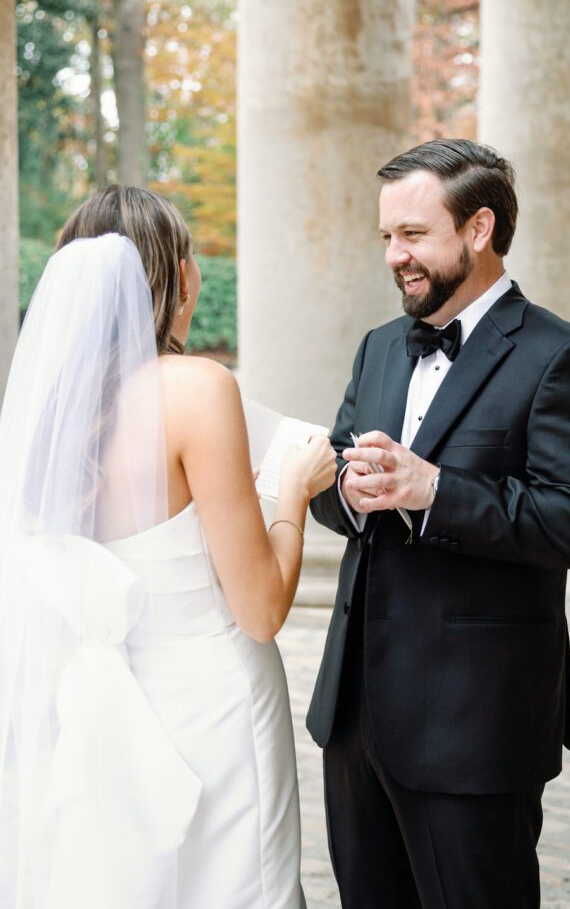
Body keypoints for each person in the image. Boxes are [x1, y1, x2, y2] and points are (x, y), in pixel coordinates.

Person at [306, 139, 570, 908]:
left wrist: (434, 490)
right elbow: (331, 486)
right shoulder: (379, 348)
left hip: (473, 726)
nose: (394, 256)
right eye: (387, 237)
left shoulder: (561, 357)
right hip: (355, 722)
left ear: (478, 229)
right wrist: (349, 492)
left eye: (413, 235)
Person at [0, 185, 336, 909]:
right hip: (212, 701)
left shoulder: (47, 415)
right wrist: (294, 493)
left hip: (103, 708)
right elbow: (261, 610)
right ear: (180, 277)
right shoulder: (196, 388)